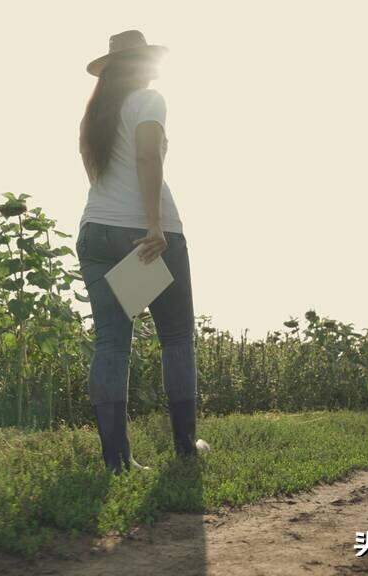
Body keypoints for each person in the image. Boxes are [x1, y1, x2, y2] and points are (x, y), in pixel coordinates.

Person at [77, 30, 210, 475]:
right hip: (148, 234)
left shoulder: (93, 116)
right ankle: (186, 447)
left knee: (111, 342)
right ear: (140, 66)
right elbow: (148, 158)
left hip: (95, 234)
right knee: (175, 337)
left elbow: (101, 176)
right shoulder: (149, 100)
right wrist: (154, 225)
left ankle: (117, 460)